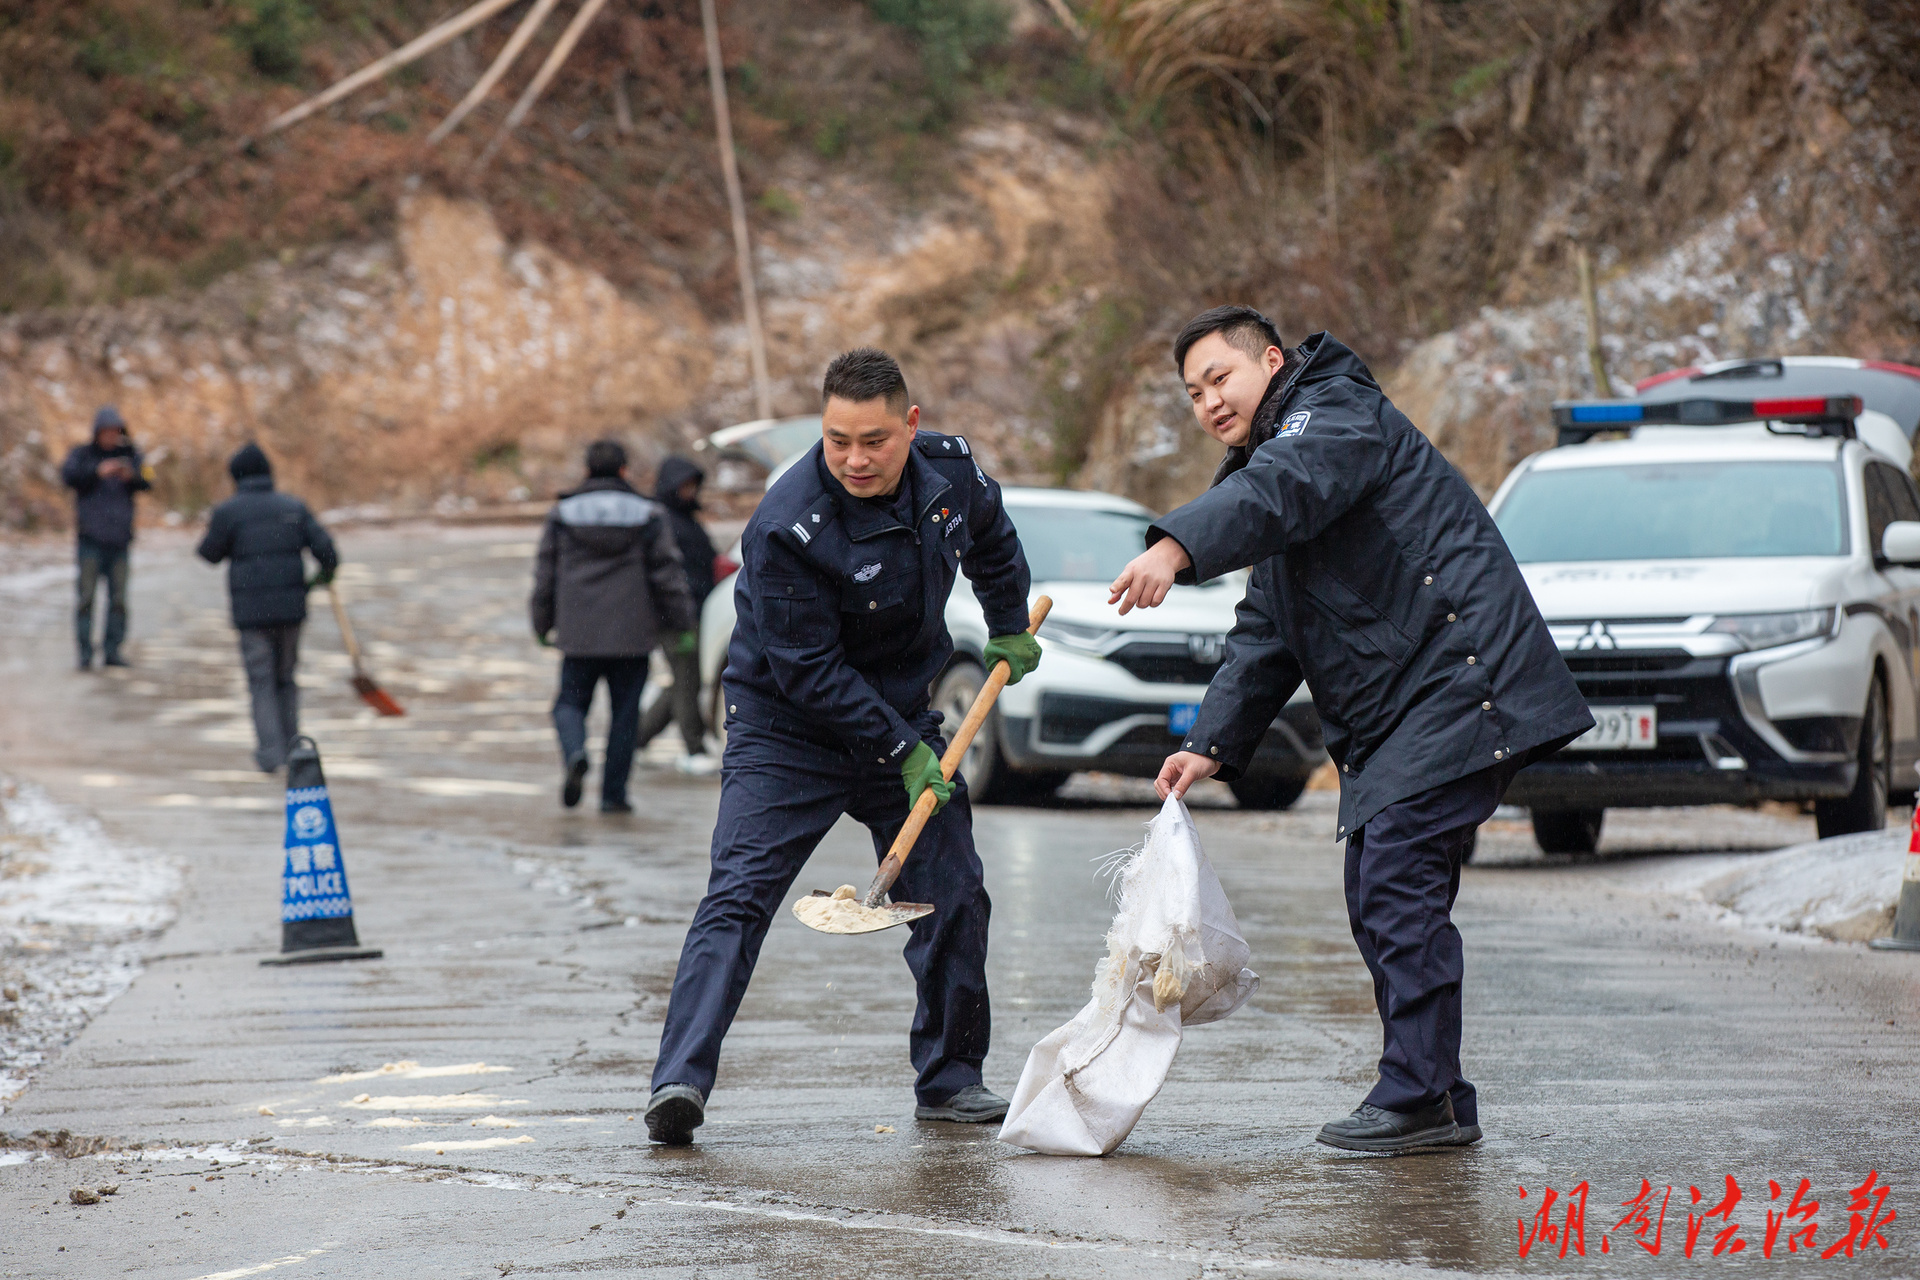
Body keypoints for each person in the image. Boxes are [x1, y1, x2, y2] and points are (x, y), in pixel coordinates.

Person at [1109, 306, 1592, 1153]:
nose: (1209, 402)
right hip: (1405, 704)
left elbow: (1282, 485)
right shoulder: (1272, 465)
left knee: (1398, 881)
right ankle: (1439, 1093)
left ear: (1271, 361)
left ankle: (1418, 1095)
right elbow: (1266, 628)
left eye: (1220, 378)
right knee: (1378, 889)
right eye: (1193, 393)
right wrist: (1210, 744)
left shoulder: (1332, 413)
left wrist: (1176, 546)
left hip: (1459, 680)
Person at [643, 348, 1040, 1146]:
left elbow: (993, 537)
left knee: (956, 891)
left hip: (901, 711)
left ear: (911, 426)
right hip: (786, 730)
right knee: (739, 895)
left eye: (874, 440)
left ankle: (952, 1080)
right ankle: (678, 1082)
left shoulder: (950, 474)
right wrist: (905, 752)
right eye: (838, 441)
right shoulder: (787, 524)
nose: (855, 459)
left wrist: (1005, 621)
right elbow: (808, 672)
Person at [530, 440, 696, 813]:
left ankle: (575, 752)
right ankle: (613, 796)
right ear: (623, 471)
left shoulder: (562, 514)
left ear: (587, 470)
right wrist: (683, 624)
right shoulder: (648, 514)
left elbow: (545, 575)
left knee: (569, 704)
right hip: (631, 637)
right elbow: (668, 576)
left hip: (579, 635)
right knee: (624, 716)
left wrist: (541, 623)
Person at [196, 442, 340, 773]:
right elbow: (328, 552)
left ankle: (270, 755)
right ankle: (293, 749)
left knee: (260, 681)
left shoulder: (229, 512)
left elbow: (209, 554)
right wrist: (321, 578)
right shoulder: (293, 507)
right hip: (291, 609)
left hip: (251, 614)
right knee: (286, 679)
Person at [634, 456, 719, 770]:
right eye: (684, 485)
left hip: (693, 611)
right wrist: (677, 617)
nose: (690, 491)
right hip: (675, 615)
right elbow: (666, 575)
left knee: (685, 681)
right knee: (687, 681)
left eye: (693, 486)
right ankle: (694, 749)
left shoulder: (683, 518)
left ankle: (635, 739)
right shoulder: (663, 520)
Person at [61, 406, 152, 669]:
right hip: (90, 539)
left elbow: (149, 480)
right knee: (86, 599)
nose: (111, 436)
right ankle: (85, 654)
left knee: (119, 601)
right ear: (97, 432)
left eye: (115, 432)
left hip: (120, 541)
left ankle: (113, 651)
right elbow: (67, 476)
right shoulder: (82, 454)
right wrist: (97, 472)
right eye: (107, 431)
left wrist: (131, 475)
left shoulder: (131, 454)